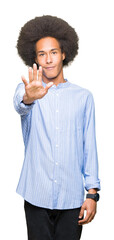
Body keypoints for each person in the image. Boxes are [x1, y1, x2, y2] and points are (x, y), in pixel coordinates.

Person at [13, 15, 101, 240]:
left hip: (71, 198)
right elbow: (20, 104)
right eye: (42, 54)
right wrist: (29, 97)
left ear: (64, 53)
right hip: (36, 196)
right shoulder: (28, 90)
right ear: (35, 59)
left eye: (53, 52)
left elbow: (88, 146)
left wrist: (92, 194)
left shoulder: (83, 97)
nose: (48, 59)